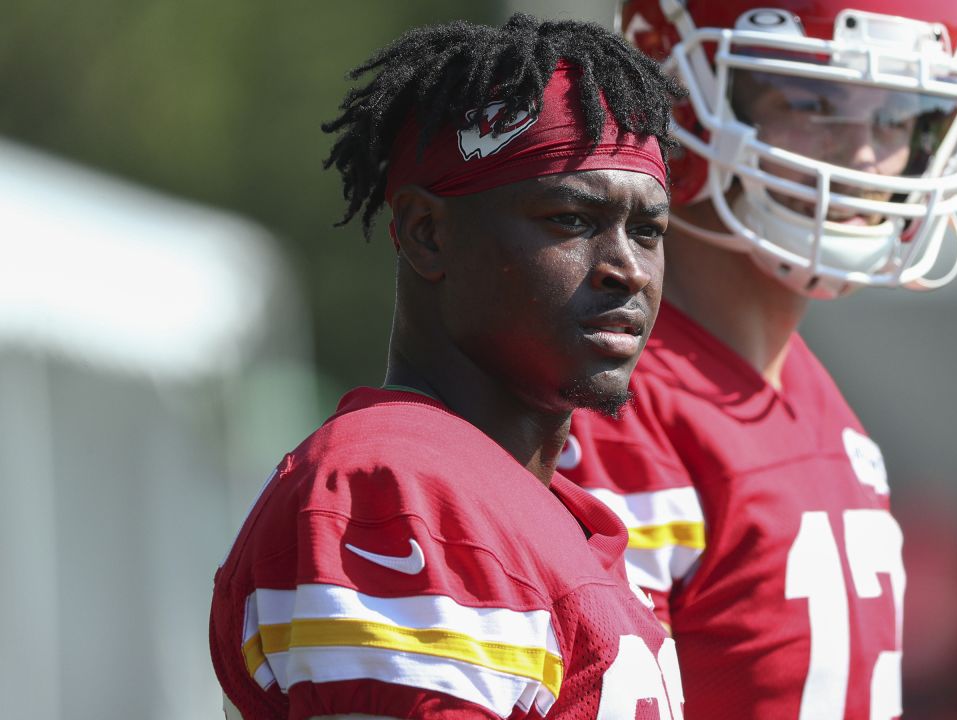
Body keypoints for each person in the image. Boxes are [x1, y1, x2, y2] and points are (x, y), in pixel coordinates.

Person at [209, 14, 689, 720]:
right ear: (428, 234)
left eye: (647, 230)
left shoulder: (534, 507)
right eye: (572, 219)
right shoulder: (399, 491)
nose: (627, 269)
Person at [557, 1, 957, 718]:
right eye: (814, 100)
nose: (865, 156)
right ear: (676, 92)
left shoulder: (809, 394)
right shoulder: (616, 411)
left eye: (899, 114)